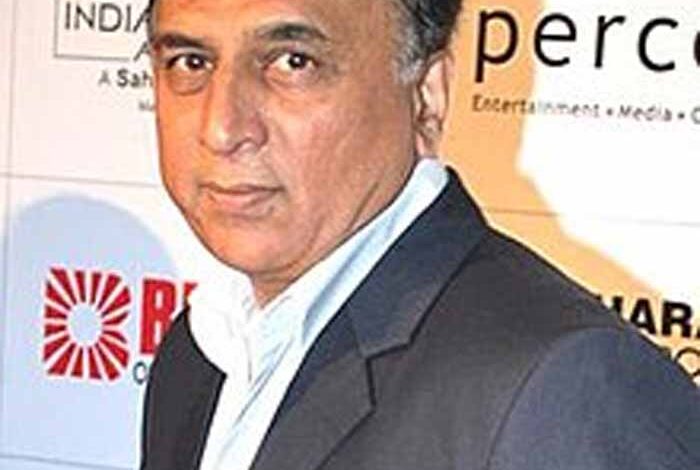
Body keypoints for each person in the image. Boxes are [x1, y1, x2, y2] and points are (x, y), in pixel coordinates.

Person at [140, 0, 700, 469]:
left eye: (294, 62)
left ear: (427, 96)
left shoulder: (558, 390)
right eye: (191, 62)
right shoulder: (202, 349)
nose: (222, 128)